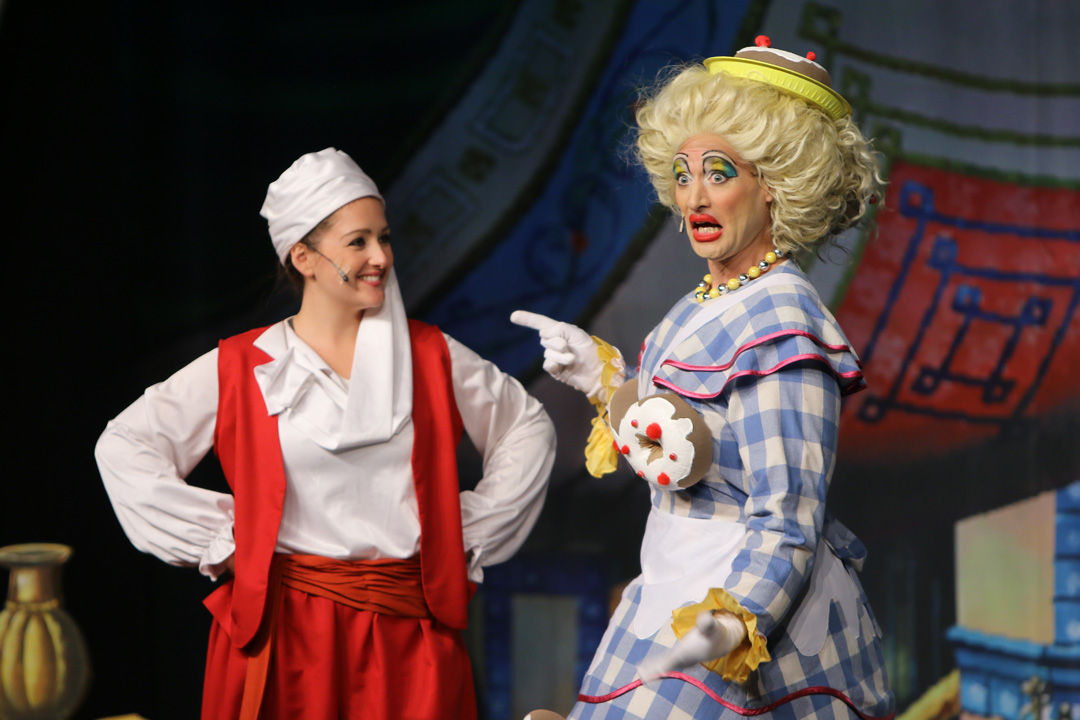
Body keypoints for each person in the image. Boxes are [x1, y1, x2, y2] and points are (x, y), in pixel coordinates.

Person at [96, 148, 556, 720]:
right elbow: (125, 446)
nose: (380, 257)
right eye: (358, 242)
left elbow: (526, 426)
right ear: (304, 256)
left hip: (407, 636)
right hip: (285, 637)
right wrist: (226, 541)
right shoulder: (244, 366)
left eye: (383, 238)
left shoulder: (430, 355)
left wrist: (465, 531)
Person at [513, 37, 894, 719]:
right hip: (671, 578)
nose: (695, 196)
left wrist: (734, 621)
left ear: (773, 183)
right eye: (684, 174)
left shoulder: (782, 321)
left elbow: (787, 516)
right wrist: (602, 379)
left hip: (747, 609)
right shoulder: (699, 305)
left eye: (719, 172)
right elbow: (677, 444)